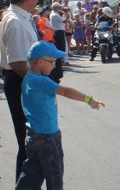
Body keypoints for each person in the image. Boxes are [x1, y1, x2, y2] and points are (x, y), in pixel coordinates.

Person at [15, 41, 104, 189]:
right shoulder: (41, 80)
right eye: (52, 62)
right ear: (39, 62)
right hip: (47, 138)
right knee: (54, 176)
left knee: (31, 174)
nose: (55, 65)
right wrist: (88, 99)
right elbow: (65, 91)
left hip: (33, 136)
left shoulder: (29, 78)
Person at [0, 0, 40, 182]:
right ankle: (23, 185)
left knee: (31, 142)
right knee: (29, 143)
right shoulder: (15, 21)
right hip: (20, 81)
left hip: (22, 80)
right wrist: (39, 83)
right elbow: (17, 63)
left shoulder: (21, 16)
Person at [49, 2, 66, 82]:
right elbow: (65, 21)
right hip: (58, 33)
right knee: (60, 51)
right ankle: (57, 70)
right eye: (58, 7)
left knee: (60, 51)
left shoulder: (55, 14)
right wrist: (66, 13)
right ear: (55, 7)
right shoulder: (55, 15)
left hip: (58, 33)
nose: (60, 8)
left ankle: (59, 69)